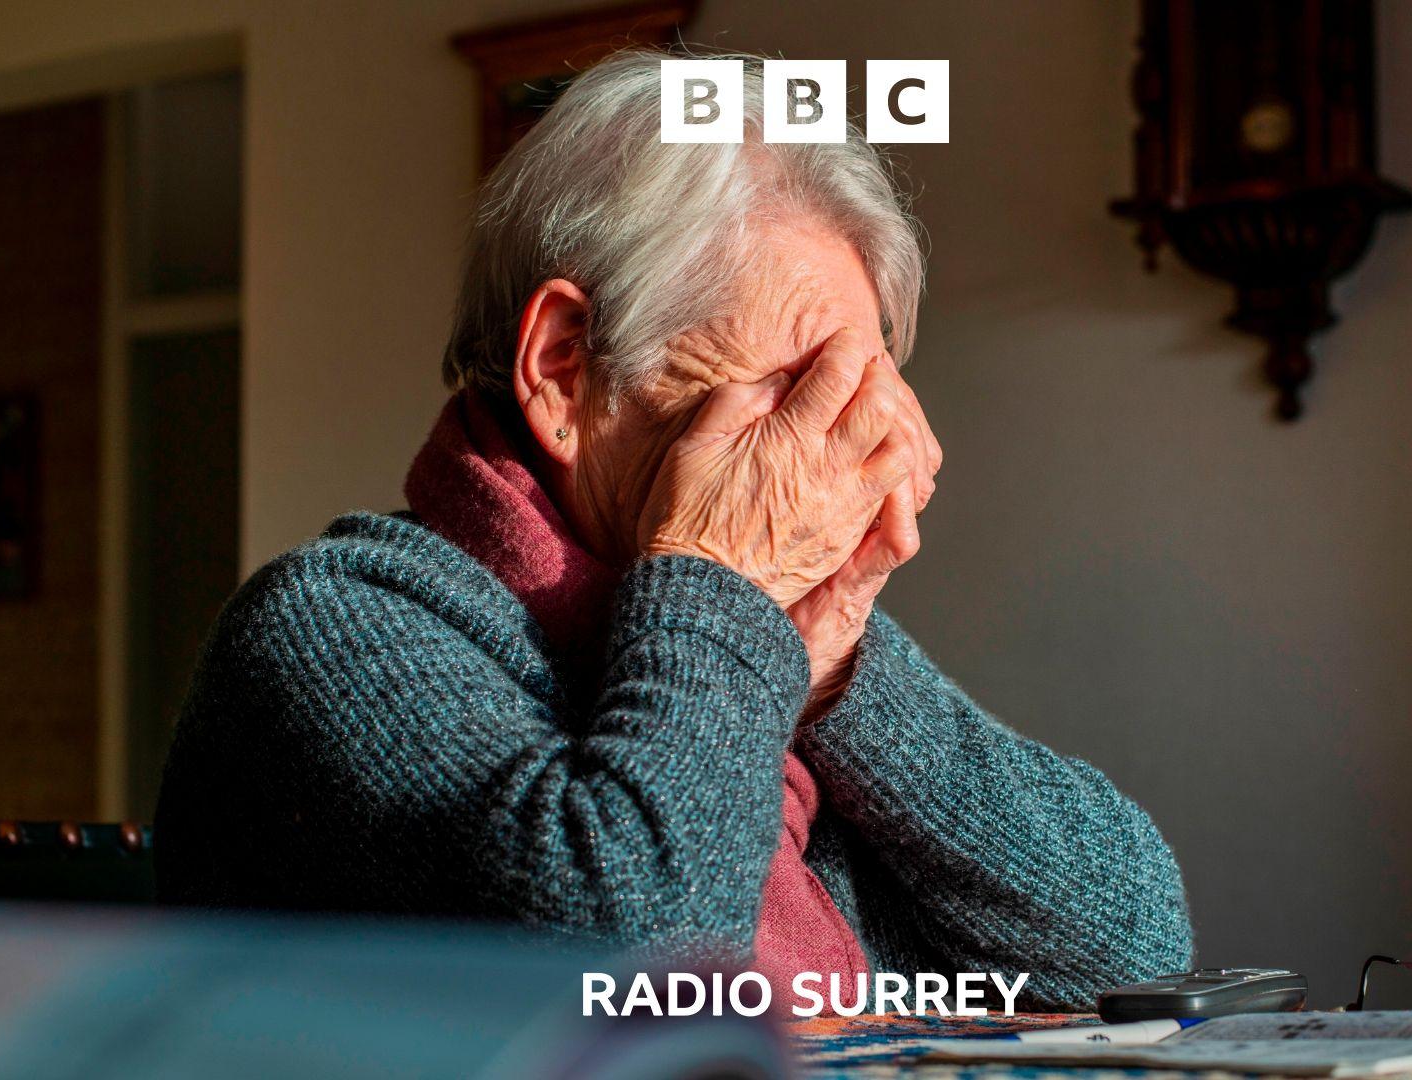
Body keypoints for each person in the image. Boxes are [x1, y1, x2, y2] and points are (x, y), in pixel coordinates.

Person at [154, 49, 1191, 1011]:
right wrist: (724, 590)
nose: (843, 455)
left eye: (862, 391)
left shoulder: (749, 632)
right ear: (564, 366)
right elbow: (633, 983)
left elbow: (1137, 945)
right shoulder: (329, 633)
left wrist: (838, 681)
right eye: (797, 390)